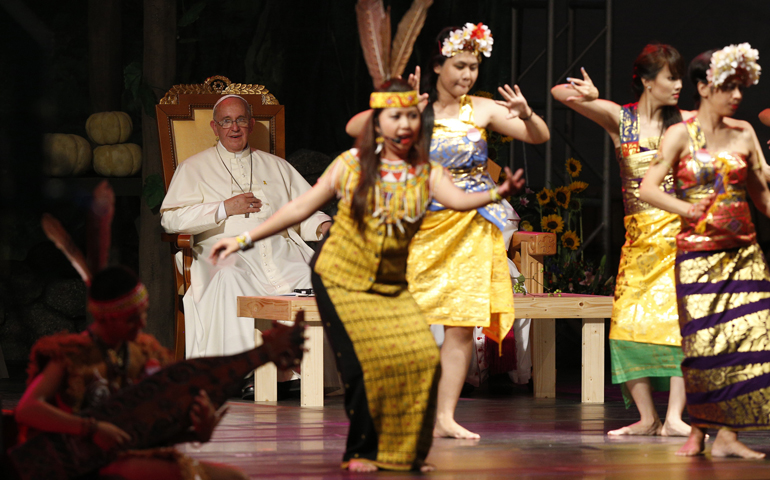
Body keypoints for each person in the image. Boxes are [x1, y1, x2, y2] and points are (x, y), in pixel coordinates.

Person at [210, 79, 526, 472]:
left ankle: (404, 450)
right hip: (340, 275)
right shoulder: (352, 164)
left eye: (412, 118)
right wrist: (242, 237)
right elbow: (299, 209)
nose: (406, 126)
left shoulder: (425, 171)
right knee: (363, 366)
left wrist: (498, 193)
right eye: (395, 118)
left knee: (420, 358)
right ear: (378, 124)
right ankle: (362, 449)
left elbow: (460, 200)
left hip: (388, 278)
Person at [552, 44, 693, 437]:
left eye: (680, 76)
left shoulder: (685, 124)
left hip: (679, 238)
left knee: (678, 325)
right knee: (628, 326)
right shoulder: (621, 119)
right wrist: (597, 99)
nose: (679, 85)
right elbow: (558, 93)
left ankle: (676, 418)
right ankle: (648, 418)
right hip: (639, 242)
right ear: (647, 81)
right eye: (671, 77)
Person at [639, 43, 770, 458]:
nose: (736, 95)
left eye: (740, 87)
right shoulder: (680, 133)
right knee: (703, 344)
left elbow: (763, 193)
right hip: (697, 256)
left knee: (744, 342)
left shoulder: (744, 132)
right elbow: (647, 187)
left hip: (743, 252)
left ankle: (726, 436)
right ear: (702, 86)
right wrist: (685, 208)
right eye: (727, 87)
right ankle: (700, 429)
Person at [13, 266, 249, 480]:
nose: (142, 323)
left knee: (235, 477)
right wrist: (91, 428)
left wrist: (198, 433)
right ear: (106, 318)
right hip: (87, 465)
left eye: (143, 313)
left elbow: (145, 429)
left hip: (131, 458)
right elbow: (27, 409)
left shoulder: (145, 353)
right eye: (132, 318)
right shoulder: (71, 356)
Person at [160, 95, 331, 364]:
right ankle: (244, 372)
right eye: (226, 121)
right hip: (227, 254)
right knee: (230, 278)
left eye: (240, 120)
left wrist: (324, 226)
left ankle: (309, 373)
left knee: (317, 277)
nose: (234, 127)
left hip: (279, 253)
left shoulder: (277, 166)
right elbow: (171, 219)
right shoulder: (193, 168)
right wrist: (223, 208)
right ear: (214, 128)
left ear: (251, 125)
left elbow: (303, 209)